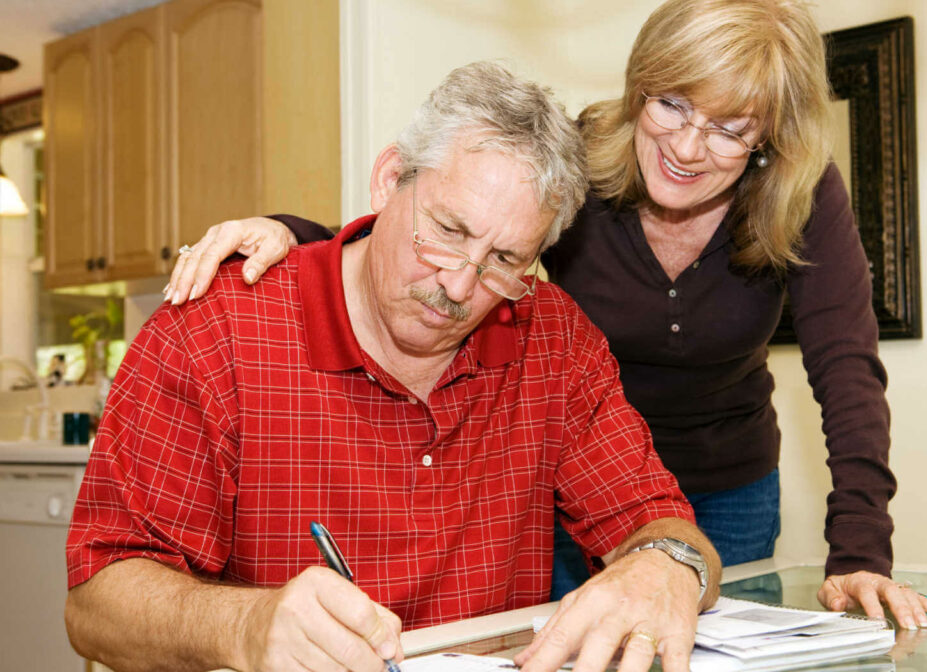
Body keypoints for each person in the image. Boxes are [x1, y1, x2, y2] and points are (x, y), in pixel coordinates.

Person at [165, 0, 927, 631]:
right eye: (671, 105)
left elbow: (846, 367)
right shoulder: (579, 157)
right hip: (579, 474)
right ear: (641, 85)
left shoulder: (801, 195)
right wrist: (293, 237)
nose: (686, 145)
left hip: (727, 482)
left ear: (767, 139)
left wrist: (860, 553)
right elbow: (443, 225)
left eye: (727, 127)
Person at [65, 62, 721, 672]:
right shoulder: (213, 331)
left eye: (504, 262)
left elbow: (657, 524)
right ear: (389, 179)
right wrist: (243, 626)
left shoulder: (551, 336)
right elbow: (96, 605)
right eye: (448, 232)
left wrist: (668, 563)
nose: (460, 287)